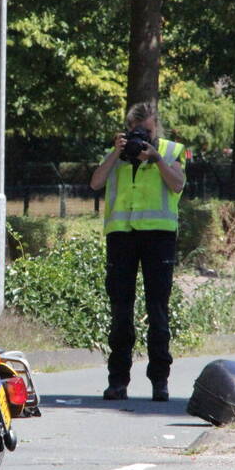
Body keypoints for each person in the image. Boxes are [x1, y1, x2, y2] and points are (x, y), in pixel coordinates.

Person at [89, 102, 187, 401]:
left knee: (158, 309)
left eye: (147, 129)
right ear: (127, 128)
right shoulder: (118, 153)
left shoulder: (171, 151)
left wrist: (156, 158)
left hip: (159, 237)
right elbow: (96, 183)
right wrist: (115, 152)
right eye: (136, 130)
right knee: (121, 309)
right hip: (122, 237)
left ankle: (160, 380)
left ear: (156, 128)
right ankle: (118, 381)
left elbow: (178, 184)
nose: (141, 136)